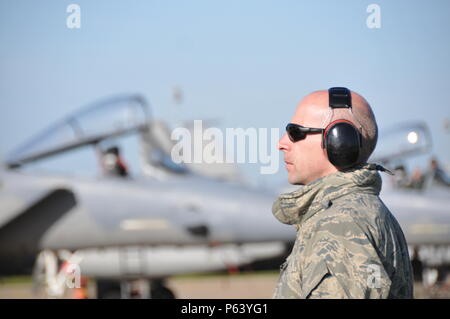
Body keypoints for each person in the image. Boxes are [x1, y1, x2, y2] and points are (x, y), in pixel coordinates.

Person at [272, 87, 413, 299]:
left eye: (295, 132)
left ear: (338, 141)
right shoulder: (355, 210)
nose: (281, 143)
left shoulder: (340, 224)